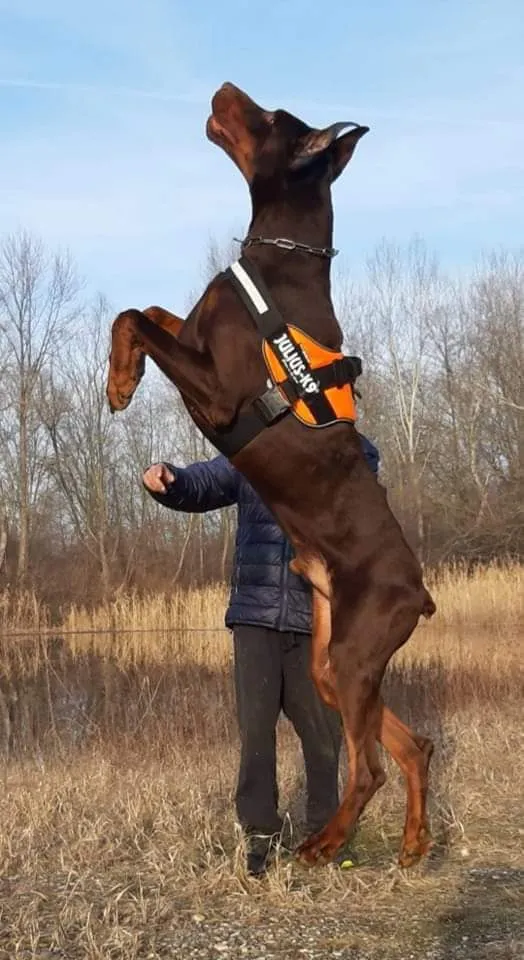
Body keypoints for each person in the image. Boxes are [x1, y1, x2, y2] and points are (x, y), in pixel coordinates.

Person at [143, 432, 379, 876]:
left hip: (318, 619)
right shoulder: (252, 447)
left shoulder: (347, 446)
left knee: (323, 737)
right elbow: (206, 481)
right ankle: (260, 840)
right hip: (255, 616)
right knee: (255, 735)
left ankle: (326, 835)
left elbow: (363, 480)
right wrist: (171, 480)